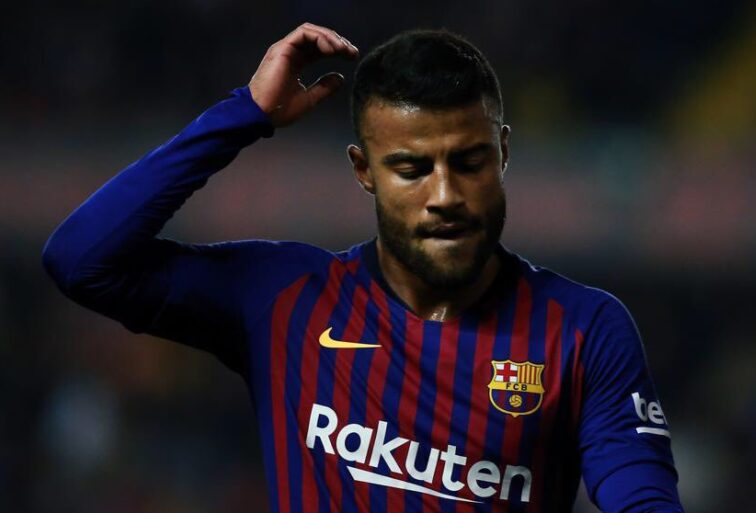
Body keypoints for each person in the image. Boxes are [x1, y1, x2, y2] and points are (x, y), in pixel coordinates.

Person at [43, 22, 683, 513]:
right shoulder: (286, 300)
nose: (445, 196)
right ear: (363, 171)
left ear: (504, 152)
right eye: (411, 169)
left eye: (469, 162)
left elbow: (643, 499)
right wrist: (244, 114)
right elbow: (82, 259)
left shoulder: (583, 329)